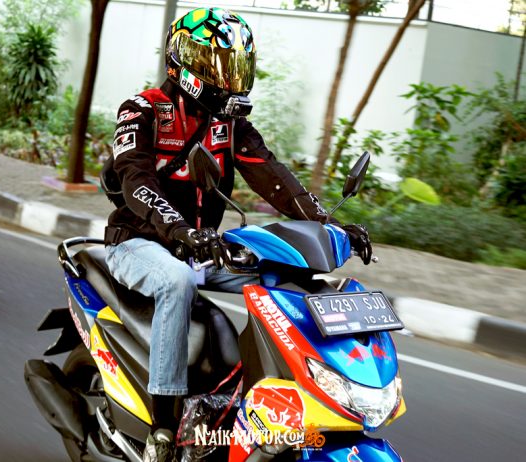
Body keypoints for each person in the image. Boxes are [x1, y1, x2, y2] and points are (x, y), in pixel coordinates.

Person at [104, 6, 372, 462]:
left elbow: (273, 176)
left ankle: (277, 395)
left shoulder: (229, 125)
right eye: (216, 66)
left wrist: (328, 226)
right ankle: (163, 428)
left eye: (235, 67)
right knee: (176, 282)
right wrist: (180, 230)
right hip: (137, 242)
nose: (227, 78)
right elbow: (135, 180)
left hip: (200, 246)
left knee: (288, 272)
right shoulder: (143, 110)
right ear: (182, 61)